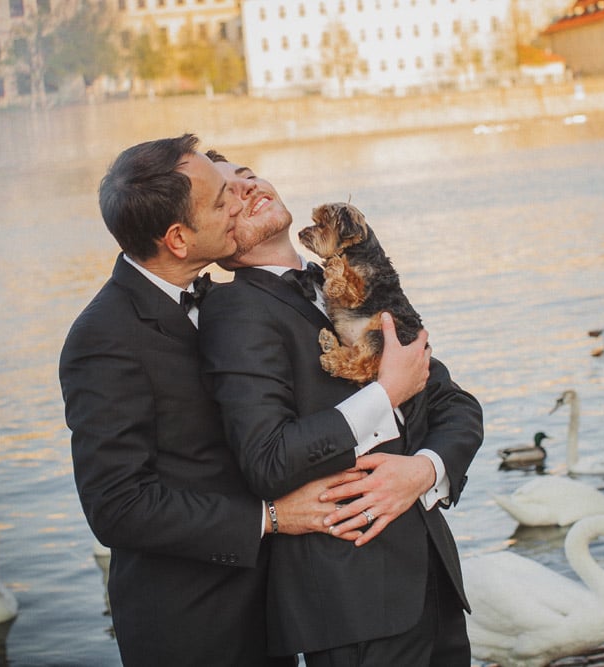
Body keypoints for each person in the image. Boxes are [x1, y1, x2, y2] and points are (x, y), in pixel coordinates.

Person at [58, 134, 414, 666]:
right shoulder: (104, 338)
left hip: (280, 607)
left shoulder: (233, 301)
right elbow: (118, 506)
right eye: (222, 200)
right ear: (178, 240)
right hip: (196, 626)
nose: (239, 200)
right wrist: (271, 517)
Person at [198, 154, 484, 666]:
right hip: (352, 598)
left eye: (248, 174)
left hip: (433, 576)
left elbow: (453, 402)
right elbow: (267, 459)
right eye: (228, 194)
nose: (248, 187)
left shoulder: (353, 279)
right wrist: (384, 394)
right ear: (212, 234)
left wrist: (425, 469)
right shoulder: (234, 310)